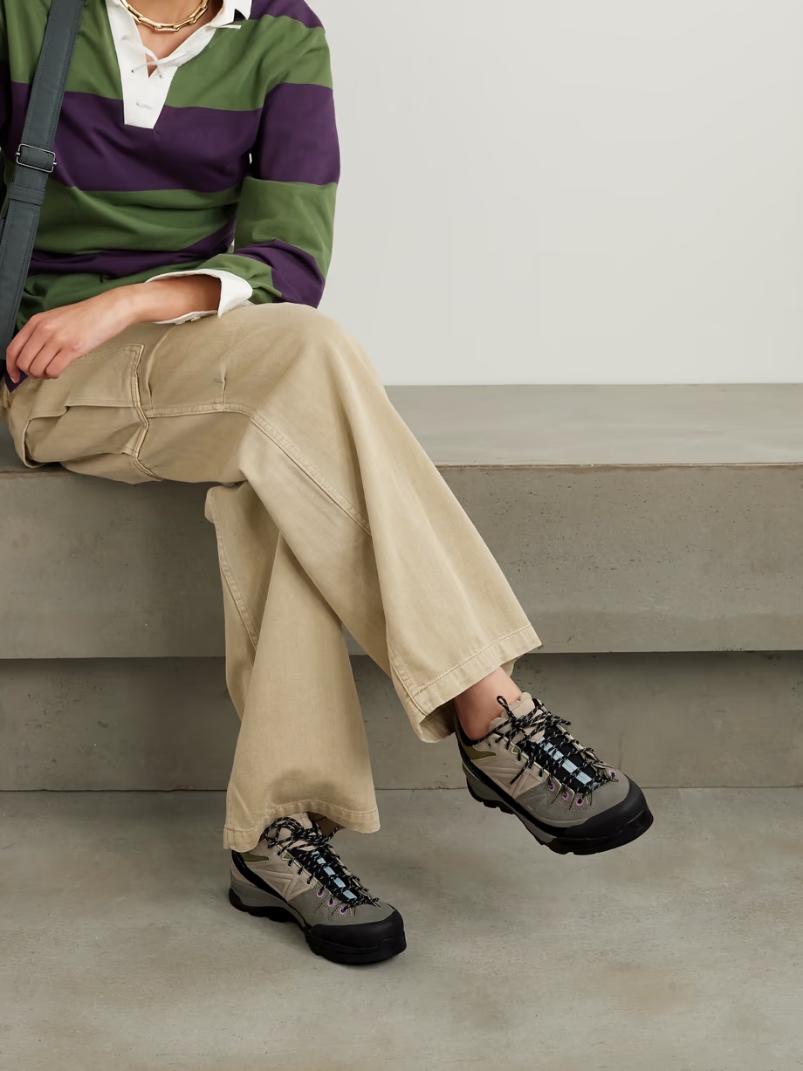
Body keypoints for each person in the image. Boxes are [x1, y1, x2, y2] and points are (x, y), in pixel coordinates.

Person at [0, 0, 653, 966]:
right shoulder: (26, 16)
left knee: (287, 444)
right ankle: (487, 702)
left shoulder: (282, 32)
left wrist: (137, 300)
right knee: (309, 367)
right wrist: (83, 319)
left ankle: (279, 829)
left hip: (209, 356)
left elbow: (289, 258)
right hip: (51, 371)